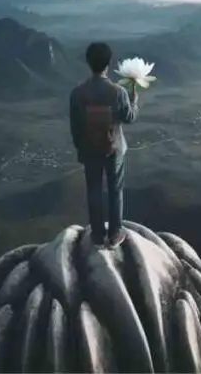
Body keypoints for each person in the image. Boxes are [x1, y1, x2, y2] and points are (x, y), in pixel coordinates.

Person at [69, 42, 139, 249]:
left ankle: (98, 235)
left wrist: (81, 148)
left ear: (88, 62)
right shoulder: (118, 92)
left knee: (93, 190)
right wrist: (134, 101)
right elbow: (129, 118)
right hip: (114, 148)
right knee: (115, 190)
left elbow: (75, 126)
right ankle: (115, 233)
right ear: (108, 63)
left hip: (89, 149)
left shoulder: (77, 93)